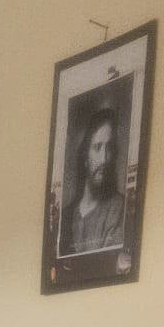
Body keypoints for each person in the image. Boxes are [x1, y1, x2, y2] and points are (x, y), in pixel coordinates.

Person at [60, 103, 125, 255]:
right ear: (85, 157)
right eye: (97, 147)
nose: (104, 159)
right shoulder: (66, 216)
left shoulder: (119, 208)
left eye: (109, 148)